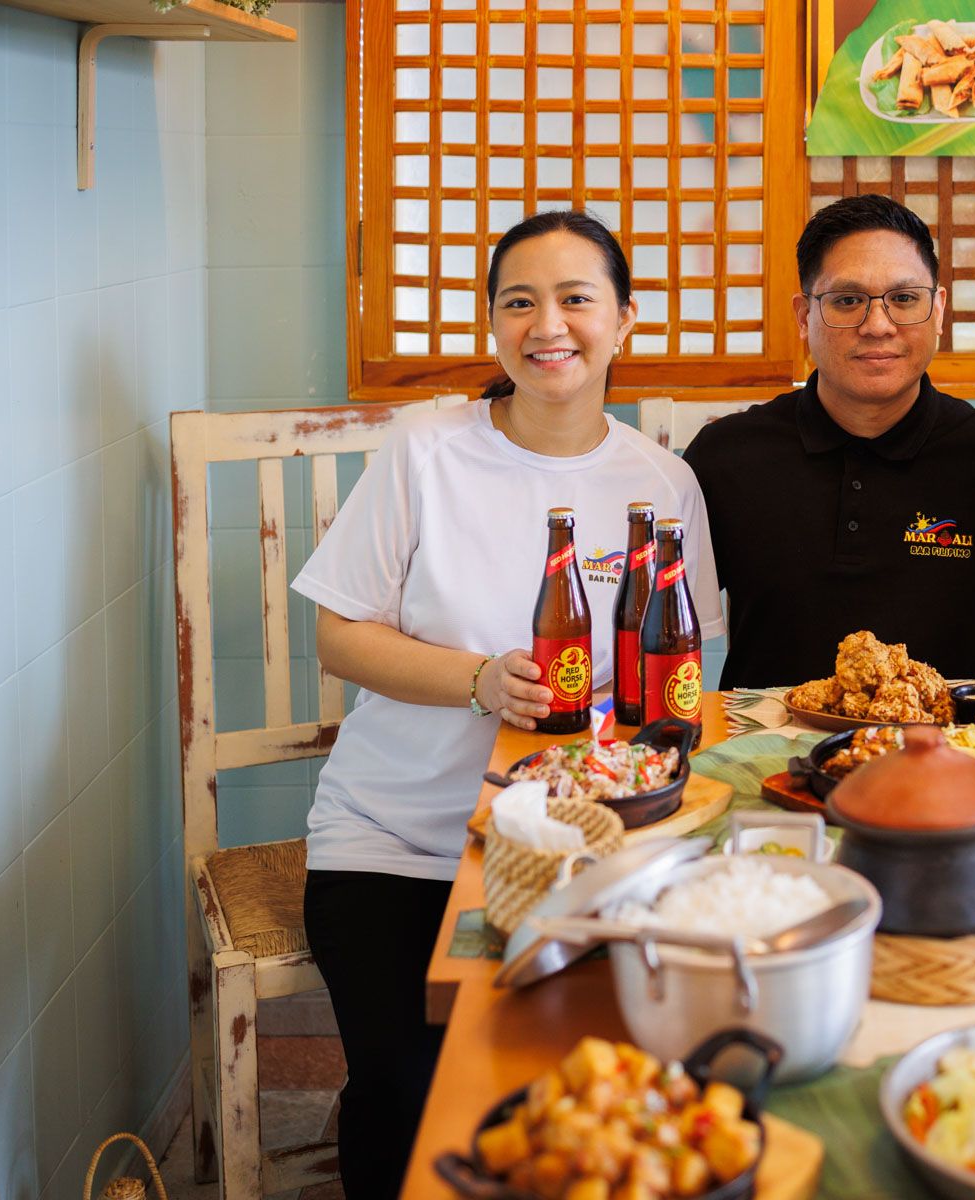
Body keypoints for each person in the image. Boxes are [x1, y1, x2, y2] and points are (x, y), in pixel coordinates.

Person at [292, 210, 722, 1195]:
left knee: (571, 1084)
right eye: (519, 302)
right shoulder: (426, 455)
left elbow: (680, 675)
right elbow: (339, 635)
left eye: (577, 298)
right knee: (405, 1093)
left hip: (583, 848)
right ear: (493, 324)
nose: (548, 324)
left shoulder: (663, 485)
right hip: (399, 842)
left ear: (626, 319)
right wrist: (480, 679)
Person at [681, 194, 975, 688]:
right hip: (765, 761)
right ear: (803, 317)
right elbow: (646, 616)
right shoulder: (726, 458)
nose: (877, 326)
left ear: (938, 310)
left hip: (947, 755)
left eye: (904, 299)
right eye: (847, 301)